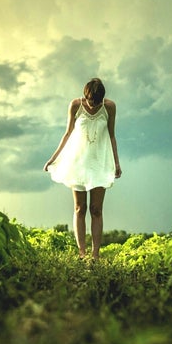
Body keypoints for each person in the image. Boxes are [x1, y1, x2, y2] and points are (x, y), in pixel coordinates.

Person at [44, 77, 121, 260]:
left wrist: (116, 163)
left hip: (99, 163)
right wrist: (53, 159)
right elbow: (67, 133)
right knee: (80, 208)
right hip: (78, 163)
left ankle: (95, 255)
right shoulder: (75, 105)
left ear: (103, 98)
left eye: (97, 101)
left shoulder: (109, 107)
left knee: (96, 209)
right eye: (91, 101)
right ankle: (82, 254)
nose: (93, 105)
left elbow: (111, 136)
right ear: (86, 95)